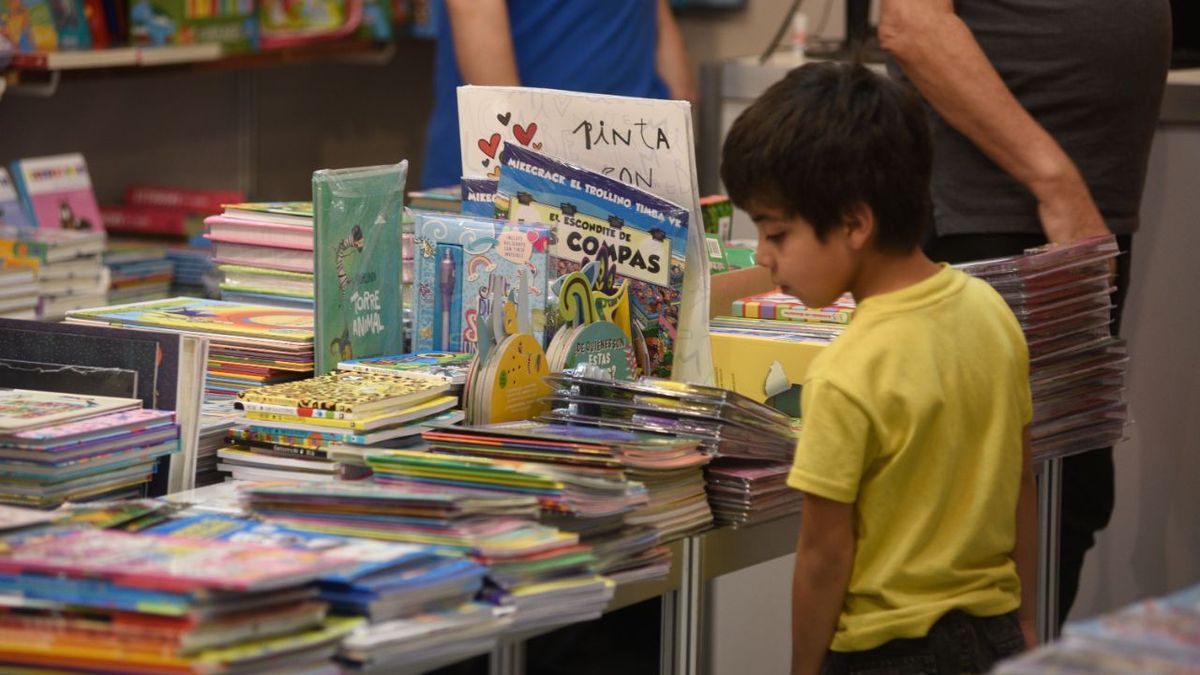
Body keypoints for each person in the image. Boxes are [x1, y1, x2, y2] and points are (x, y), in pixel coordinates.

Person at [720, 61, 1037, 675]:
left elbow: (822, 555)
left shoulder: (847, 370)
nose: (763, 257)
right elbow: (1023, 479)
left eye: (777, 234)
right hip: (994, 636)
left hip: (885, 654)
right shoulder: (993, 313)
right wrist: (1025, 620)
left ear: (854, 223)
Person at [877, 0, 1172, 625]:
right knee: (983, 510)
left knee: (1066, 495)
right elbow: (912, 22)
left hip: (1076, 214)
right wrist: (1055, 183)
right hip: (996, 214)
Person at [420, 0, 695, 189]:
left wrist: (678, 125)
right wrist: (523, 165)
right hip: (521, 161)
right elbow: (473, 9)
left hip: (635, 157)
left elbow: (655, 13)